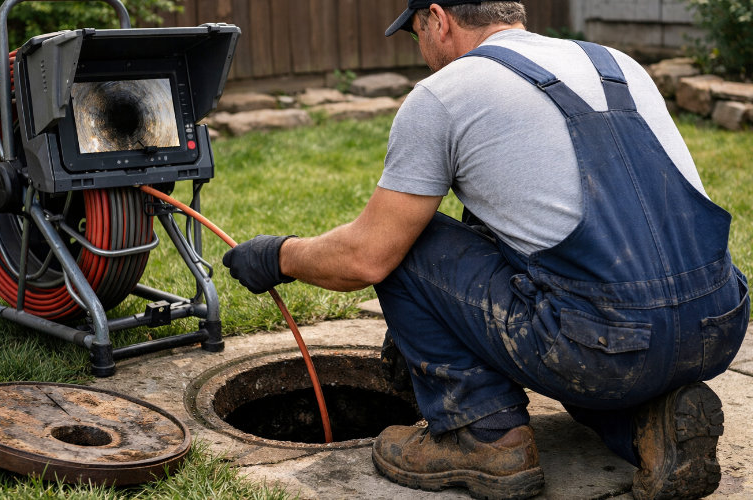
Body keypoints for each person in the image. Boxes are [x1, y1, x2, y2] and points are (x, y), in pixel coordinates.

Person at [222, 1, 750, 499]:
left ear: (438, 19)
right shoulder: (615, 62)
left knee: (411, 242)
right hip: (718, 322)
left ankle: (484, 436)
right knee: (585, 317)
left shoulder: (444, 93)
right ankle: (646, 428)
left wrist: (279, 255)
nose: (420, 48)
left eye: (415, 33)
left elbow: (367, 256)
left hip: (600, 344)